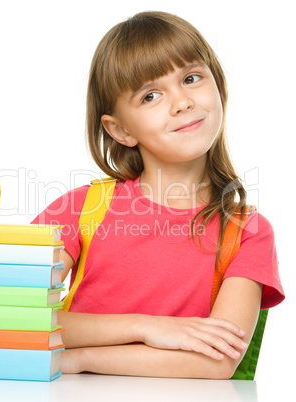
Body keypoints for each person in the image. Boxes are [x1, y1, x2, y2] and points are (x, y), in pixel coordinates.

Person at [32, 11, 285, 379]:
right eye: (150, 95)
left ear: (219, 86)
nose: (181, 101)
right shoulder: (79, 209)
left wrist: (79, 358)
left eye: (192, 78)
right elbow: (12, 318)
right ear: (120, 130)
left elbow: (219, 362)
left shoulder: (246, 231)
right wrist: (145, 327)